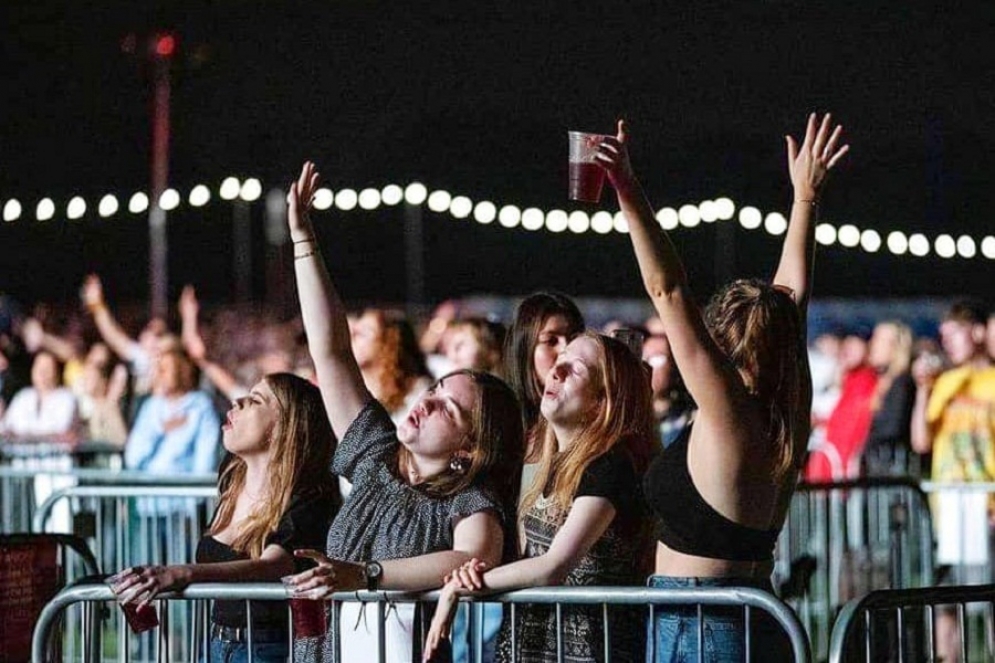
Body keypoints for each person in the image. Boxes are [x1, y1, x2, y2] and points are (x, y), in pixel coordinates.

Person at [597, 113, 848, 661]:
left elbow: (667, 290)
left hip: (701, 622)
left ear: (721, 345)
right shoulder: (788, 405)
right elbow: (793, 296)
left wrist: (628, 188)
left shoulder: (729, 410)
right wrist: (805, 199)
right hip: (755, 612)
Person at [280, 162, 524, 663]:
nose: (426, 401)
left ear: (470, 447)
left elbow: (473, 556)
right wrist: (304, 240)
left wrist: (365, 575)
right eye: (434, 389)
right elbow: (332, 353)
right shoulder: (374, 455)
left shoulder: (469, 499)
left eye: (448, 408)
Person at [424, 331, 656, 663]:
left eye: (575, 370)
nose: (556, 372)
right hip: (531, 646)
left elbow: (553, 566)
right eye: (559, 362)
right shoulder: (547, 461)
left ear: (601, 402)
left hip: (591, 652)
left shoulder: (612, 464)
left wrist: (460, 587)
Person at [110, 373, 339, 663]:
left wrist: (182, 573)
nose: (237, 401)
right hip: (215, 644)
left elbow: (275, 565)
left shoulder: (310, 497)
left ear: (286, 428)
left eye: (255, 400)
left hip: (272, 649)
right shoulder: (231, 481)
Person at [910, 300, 995, 663]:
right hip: (950, 507)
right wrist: (923, 391)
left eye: (954, 334)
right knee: (946, 598)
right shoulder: (944, 382)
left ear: (977, 332)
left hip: (988, 506)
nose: (947, 343)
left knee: (990, 598)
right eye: (943, 336)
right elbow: (921, 441)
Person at [503, 291, 585, 496]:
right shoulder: (504, 425)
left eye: (574, 338)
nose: (566, 350)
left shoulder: (589, 426)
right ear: (525, 350)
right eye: (551, 341)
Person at [860, 321, 915, 477]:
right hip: (876, 469)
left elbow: (893, 427)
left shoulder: (902, 383)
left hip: (893, 471)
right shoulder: (879, 382)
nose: (872, 345)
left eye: (879, 340)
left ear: (896, 347)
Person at [642, 332, 694, 448]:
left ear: (674, 364)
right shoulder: (636, 419)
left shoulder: (690, 416)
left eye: (657, 359)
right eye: (645, 358)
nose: (647, 367)